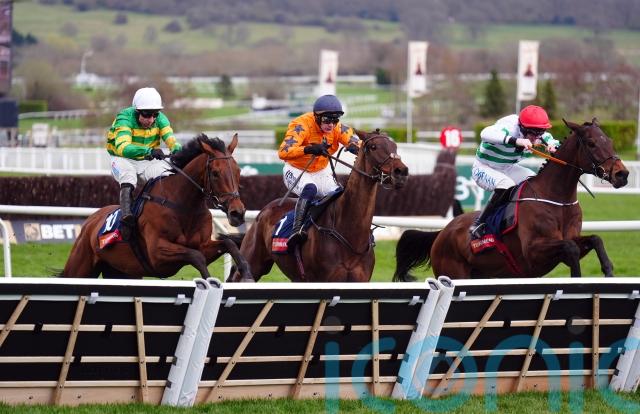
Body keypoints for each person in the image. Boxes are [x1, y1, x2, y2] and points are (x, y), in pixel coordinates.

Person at [278, 94, 360, 251]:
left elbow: (360, 144)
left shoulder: (338, 128)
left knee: (338, 194)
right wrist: (308, 149)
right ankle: (296, 230)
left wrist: (357, 149)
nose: (331, 125)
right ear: (317, 117)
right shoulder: (300, 125)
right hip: (296, 169)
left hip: (321, 171)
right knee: (310, 188)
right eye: (327, 120)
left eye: (335, 120)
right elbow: (283, 152)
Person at [469, 105, 560, 238]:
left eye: (540, 133)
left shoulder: (539, 134)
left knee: (534, 181)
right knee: (506, 184)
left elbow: (554, 142)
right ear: (523, 128)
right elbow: (484, 133)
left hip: (507, 168)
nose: (536, 138)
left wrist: (554, 147)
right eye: (533, 133)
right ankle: (479, 223)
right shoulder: (509, 127)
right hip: (483, 167)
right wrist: (516, 141)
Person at [106, 87, 182, 239]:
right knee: (128, 176)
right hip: (122, 159)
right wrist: (149, 151)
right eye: (147, 114)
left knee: (167, 174)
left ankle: (165, 213)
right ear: (137, 111)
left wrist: (177, 150)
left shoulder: (160, 119)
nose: (151, 119)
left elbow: (171, 140)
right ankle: (126, 218)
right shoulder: (124, 118)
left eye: (155, 114)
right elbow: (123, 148)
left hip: (146, 162)